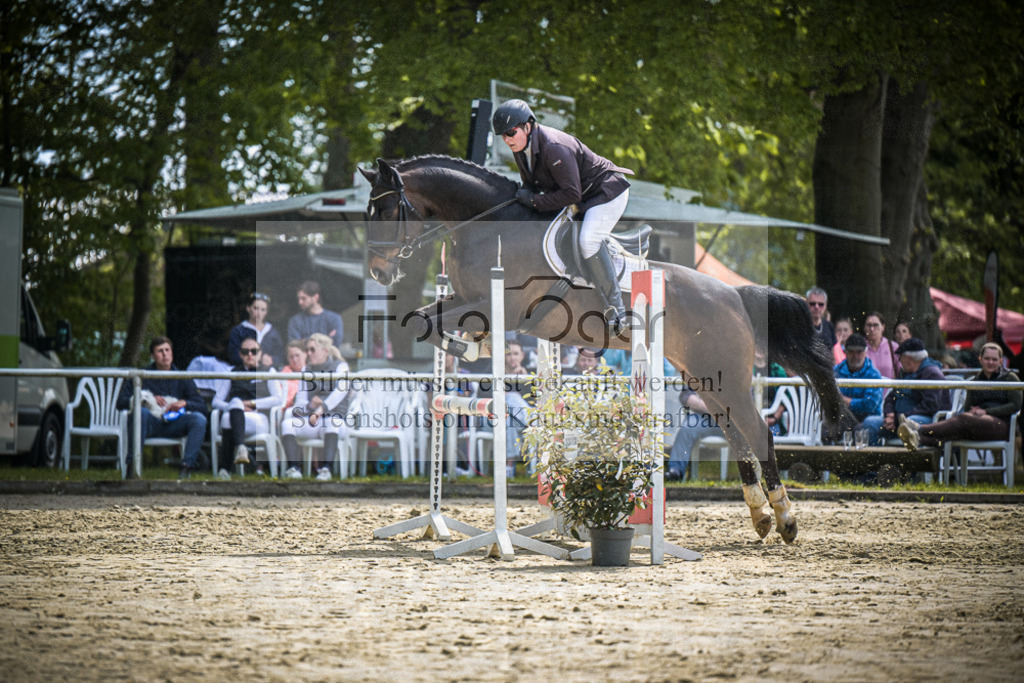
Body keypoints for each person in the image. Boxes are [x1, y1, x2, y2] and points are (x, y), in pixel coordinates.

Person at [493, 98, 634, 334]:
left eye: (510, 133)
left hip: (607, 192)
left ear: (527, 126)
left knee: (588, 240)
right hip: (582, 197)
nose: (507, 140)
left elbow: (571, 193)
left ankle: (617, 307)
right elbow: (532, 183)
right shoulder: (522, 146)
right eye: (502, 136)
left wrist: (535, 201)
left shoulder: (554, 147)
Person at [898, 342, 1021, 453]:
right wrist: (974, 412)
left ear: (1000, 361)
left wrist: (986, 411)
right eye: (987, 358)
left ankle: (919, 428)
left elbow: (1016, 405)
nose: (990, 362)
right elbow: (968, 408)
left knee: (962, 419)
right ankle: (918, 439)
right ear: (980, 360)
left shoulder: (1009, 378)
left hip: (1002, 427)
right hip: (977, 424)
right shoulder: (975, 381)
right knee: (954, 432)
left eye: (994, 359)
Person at [116, 336, 209, 479]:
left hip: (174, 424)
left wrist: (184, 403)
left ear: (172, 352)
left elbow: (202, 407)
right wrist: (147, 398)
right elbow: (121, 402)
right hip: (148, 423)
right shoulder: (141, 377)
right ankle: (132, 468)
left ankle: (186, 468)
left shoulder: (183, 377)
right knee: (141, 412)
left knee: (199, 419)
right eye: (160, 351)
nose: (165, 354)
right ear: (153, 356)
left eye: (167, 350)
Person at [279, 333, 352, 481]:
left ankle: (326, 469)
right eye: (308, 350)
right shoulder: (307, 369)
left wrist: (322, 408)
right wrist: (310, 405)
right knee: (287, 424)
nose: (309, 354)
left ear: (325, 350)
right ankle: (294, 469)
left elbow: (340, 392)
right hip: (314, 420)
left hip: (336, 421)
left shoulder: (340, 366)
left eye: (313, 350)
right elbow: (300, 401)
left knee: (332, 421)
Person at [212, 338, 283, 476]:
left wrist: (252, 403)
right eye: (245, 352)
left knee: (229, 415)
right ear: (240, 354)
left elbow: (278, 399)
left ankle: (225, 468)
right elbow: (216, 401)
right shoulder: (233, 373)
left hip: (258, 417)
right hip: (235, 415)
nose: (250, 355)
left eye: (254, 351)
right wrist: (236, 406)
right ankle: (240, 448)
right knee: (231, 410)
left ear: (260, 353)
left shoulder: (268, 371)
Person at [860, 337, 950, 446]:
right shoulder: (905, 374)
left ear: (908, 358)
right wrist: (890, 414)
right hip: (897, 420)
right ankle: (874, 460)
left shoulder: (932, 373)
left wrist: (898, 418)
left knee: (910, 423)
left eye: (900, 357)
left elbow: (930, 406)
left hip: (925, 421)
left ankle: (911, 461)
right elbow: (890, 397)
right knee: (870, 423)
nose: (900, 361)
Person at [833, 333, 883, 423]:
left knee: (868, 424)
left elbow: (870, 405)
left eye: (859, 352)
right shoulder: (835, 371)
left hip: (867, 419)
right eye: (851, 352)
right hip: (843, 418)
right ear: (845, 352)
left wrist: (847, 402)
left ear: (865, 352)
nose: (855, 356)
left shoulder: (874, 374)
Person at [228, 292, 286, 368]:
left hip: (267, 373)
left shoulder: (273, 332)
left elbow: (280, 355)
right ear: (248, 308)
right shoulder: (239, 331)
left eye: (263, 310)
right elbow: (233, 355)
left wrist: (272, 359)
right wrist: (249, 360)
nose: (259, 313)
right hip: (244, 372)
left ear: (266, 312)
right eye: (256, 308)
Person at [863, 311, 899, 380]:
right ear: (864, 327)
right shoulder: (860, 347)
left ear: (883, 327)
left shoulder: (893, 347)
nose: (872, 329)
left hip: (889, 390)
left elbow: (900, 373)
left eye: (875, 325)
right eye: (869, 325)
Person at [280, 339, 307, 409]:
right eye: (291, 357)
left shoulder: (313, 371)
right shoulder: (282, 375)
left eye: (297, 355)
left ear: (305, 354)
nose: (295, 360)